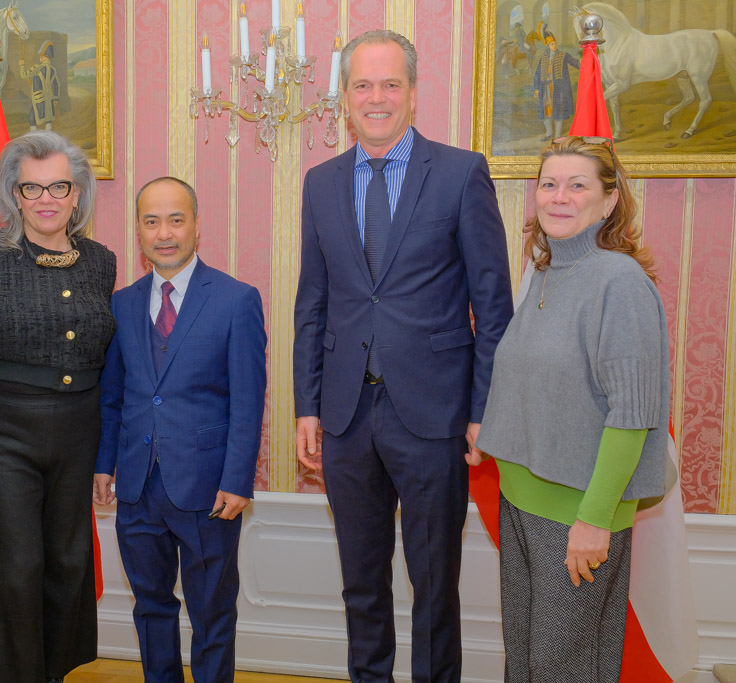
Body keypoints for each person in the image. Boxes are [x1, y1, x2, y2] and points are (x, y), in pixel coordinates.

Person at [292, 30, 514, 682]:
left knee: (434, 586)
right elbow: (312, 302)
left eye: (390, 84)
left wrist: (483, 410)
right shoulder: (320, 182)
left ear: (413, 93)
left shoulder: (461, 172)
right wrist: (307, 405)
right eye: (363, 85)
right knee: (360, 584)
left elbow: (493, 306)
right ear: (345, 96)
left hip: (434, 414)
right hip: (345, 415)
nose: (377, 97)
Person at [473, 136, 670, 682]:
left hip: (577, 514)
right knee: (527, 662)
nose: (559, 197)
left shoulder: (620, 283)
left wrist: (595, 519)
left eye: (577, 185)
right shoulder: (546, 272)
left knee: (564, 668)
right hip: (521, 500)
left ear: (609, 201)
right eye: (549, 184)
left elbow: (631, 415)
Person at [0, 130, 116, 683]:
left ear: (78, 194)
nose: (46, 199)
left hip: (78, 428)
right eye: (32, 188)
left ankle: (53, 673)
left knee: (68, 562)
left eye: (59, 187)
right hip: (1, 428)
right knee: (16, 564)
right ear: (14, 194)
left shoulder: (101, 261)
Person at [93, 177, 267, 683]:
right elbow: (113, 395)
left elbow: (248, 400)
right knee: (150, 607)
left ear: (196, 225)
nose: (164, 233)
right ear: (139, 230)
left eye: (175, 220)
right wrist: (104, 464)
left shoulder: (236, 299)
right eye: (151, 222)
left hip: (209, 488)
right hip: (137, 485)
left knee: (212, 613)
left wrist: (237, 479)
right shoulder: (122, 304)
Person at [533, 34, 580, 141]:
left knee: (559, 111)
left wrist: (583, 61)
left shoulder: (563, 55)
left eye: (555, 43)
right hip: (545, 88)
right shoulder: (543, 58)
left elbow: (575, 62)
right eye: (552, 44)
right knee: (546, 111)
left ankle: (558, 135)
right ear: (548, 46)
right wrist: (536, 88)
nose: (554, 45)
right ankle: (549, 133)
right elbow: (537, 74)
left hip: (559, 89)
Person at [20, 41, 61, 132]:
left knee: (32, 119)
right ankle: (48, 134)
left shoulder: (37, 68)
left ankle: (35, 136)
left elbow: (24, 75)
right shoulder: (53, 70)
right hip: (49, 99)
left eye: (40, 56)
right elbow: (56, 85)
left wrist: (22, 65)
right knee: (48, 120)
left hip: (39, 99)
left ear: (43, 56)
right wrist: (56, 98)